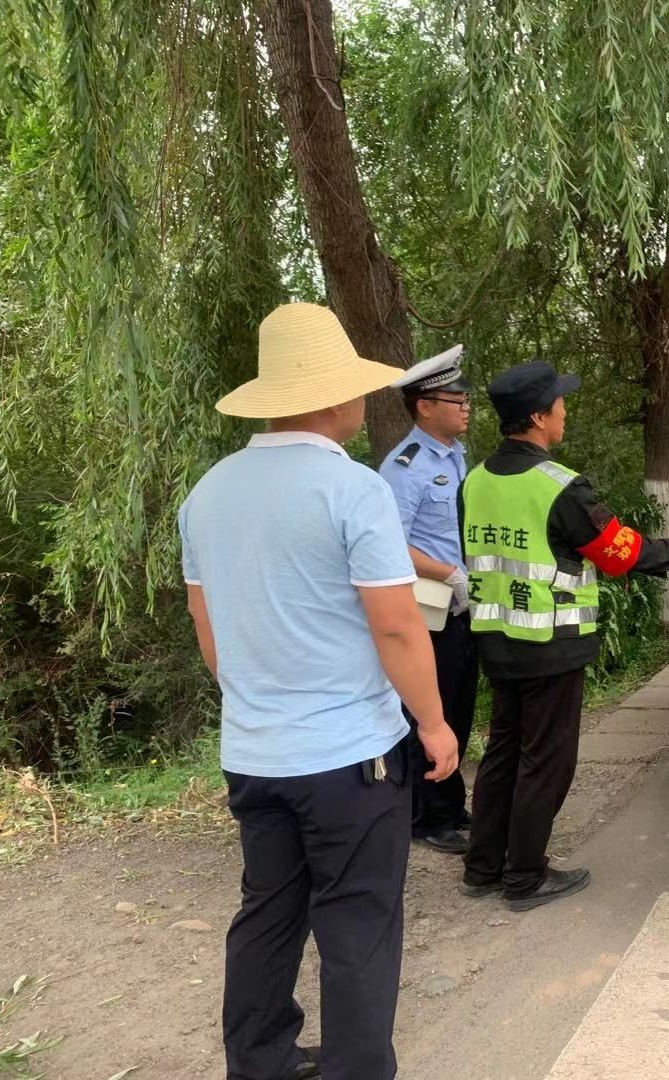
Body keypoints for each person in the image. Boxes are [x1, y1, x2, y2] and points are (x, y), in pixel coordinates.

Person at [179, 302, 459, 1080]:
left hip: (253, 753)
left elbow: (211, 635)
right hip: (349, 759)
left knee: (268, 911)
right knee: (357, 924)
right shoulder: (352, 489)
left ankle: (260, 1061)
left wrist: (263, 703)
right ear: (336, 396)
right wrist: (433, 726)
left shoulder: (206, 494)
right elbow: (398, 628)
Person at [458, 360, 669, 911]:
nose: (566, 412)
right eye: (561, 404)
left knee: (503, 750)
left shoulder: (474, 480)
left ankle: (482, 867)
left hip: (495, 637)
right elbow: (620, 553)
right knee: (546, 759)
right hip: (550, 643)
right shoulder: (560, 487)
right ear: (539, 417)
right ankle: (524, 877)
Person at [378, 345, 479, 855]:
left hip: (458, 606)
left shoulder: (456, 455)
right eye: (455, 397)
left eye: (465, 397)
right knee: (428, 709)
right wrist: (449, 572)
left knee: (457, 706)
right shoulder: (405, 466)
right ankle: (424, 817)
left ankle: (448, 803)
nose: (465, 406)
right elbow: (389, 542)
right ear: (425, 405)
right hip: (428, 607)